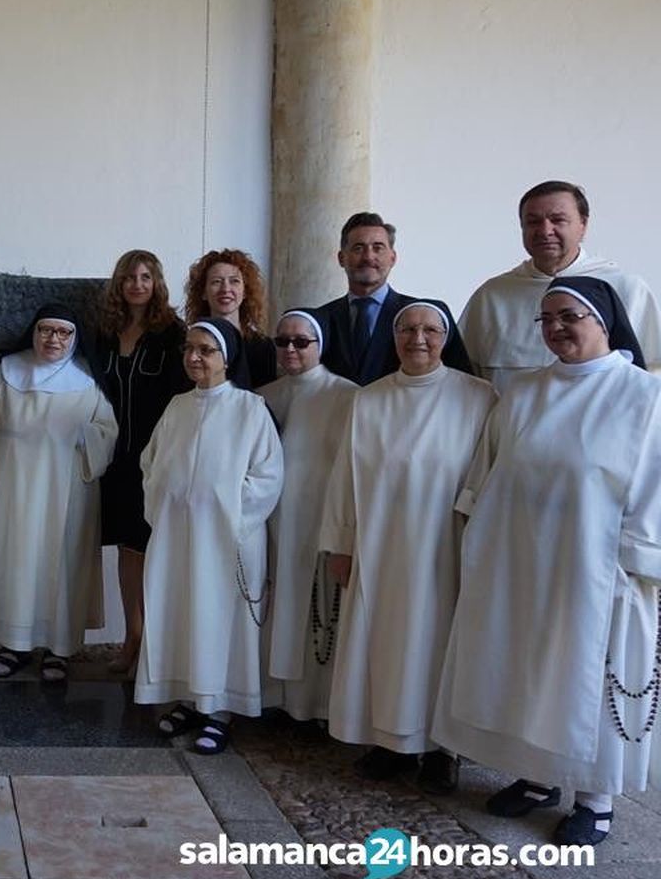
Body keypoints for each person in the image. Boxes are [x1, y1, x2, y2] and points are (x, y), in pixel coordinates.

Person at [435, 277, 661, 845]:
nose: (557, 327)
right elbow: (488, 470)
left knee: (587, 676)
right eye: (547, 319)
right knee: (526, 667)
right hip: (520, 559)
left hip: (597, 567)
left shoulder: (643, 396)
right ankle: (535, 774)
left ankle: (594, 797)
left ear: (604, 320)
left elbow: (654, 485)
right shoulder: (526, 391)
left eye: (570, 316)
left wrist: (633, 565)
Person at [321, 301, 495, 793]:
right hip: (379, 546)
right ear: (393, 339)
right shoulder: (369, 400)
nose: (418, 338)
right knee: (384, 640)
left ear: (446, 337)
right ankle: (389, 742)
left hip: (446, 548)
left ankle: (442, 749)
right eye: (407, 330)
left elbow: (487, 475)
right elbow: (344, 478)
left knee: (438, 647)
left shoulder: (479, 397)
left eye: (430, 330)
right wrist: (340, 543)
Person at [136, 318, 284, 755]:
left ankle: (219, 709)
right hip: (178, 536)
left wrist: (228, 512)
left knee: (219, 619)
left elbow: (268, 475)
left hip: (226, 539)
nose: (194, 357)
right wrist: (165, 504)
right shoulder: (177, 406)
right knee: (180, 613)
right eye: (189, 349)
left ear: (227, 358)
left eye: (205, 350)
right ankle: (187, 697)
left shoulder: (249, 408)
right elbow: (151, 463)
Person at [0, 304, 118, 683]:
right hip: (14, 483)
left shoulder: (85, 377)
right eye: (47, 330)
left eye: (63, 333)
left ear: (74, 337)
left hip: (68, 489)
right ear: (34, 333)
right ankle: (14, 645)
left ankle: (59, 649)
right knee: (16, 561)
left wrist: (84, 436)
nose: (54, 339)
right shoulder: (9, 369)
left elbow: (107, 429)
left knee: (62, 564)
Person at [459, 180, 661, 390]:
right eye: (533, 222)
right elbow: (464, 375)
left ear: (583, 225)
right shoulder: (492, 295)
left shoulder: (624, 289)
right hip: (513, 419)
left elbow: (652, 371)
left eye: (558, 220)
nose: (545, 231)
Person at [94, 250, 191, 676]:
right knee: (127, 551)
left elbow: (183, 397)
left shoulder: (172, 333)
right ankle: (131, 636)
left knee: (154, 550)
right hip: (115, 460)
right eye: (130, 276)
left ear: (157, 282)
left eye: (146, 276)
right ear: (119, 283)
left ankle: (155, 642)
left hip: (156, 457)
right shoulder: (106, 333)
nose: (137, 283)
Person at [258, 309, 356, 722]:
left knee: (316, 612)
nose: (291, 349)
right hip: (274, 523)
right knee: (275, 609)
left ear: (320, 345)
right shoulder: (263, 394)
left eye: (301, 341)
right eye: (283, 342)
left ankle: (313, 705)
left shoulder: (348, 395)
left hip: (320, 522)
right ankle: (271, 698)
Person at [315, 212, 472, 385]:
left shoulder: (426, 316)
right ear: (341, 258)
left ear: (393, 258)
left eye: (378, 247)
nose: (368, 257)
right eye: (358, 248)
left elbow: (460, 380)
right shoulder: (321, 318)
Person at [183, 249, 275, 389]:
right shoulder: (189, 343)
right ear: (203, 293)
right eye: (216, 281)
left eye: (234, 281)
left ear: (245, 292)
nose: (226, 289)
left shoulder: (262, 346)